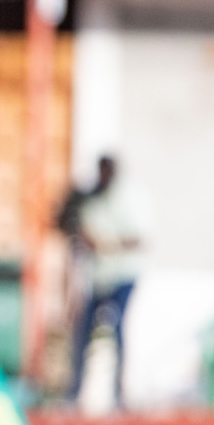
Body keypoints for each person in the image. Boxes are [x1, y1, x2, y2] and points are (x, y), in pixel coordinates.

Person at [67, 155, 144, 405]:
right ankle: (75, 392)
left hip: (122, 275)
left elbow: (138, 238)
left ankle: (119, 394)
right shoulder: (90, 201)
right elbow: (81, 231)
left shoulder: (125, 200)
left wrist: (106, 244)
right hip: (98, 278)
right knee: (84, 332)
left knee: (118, 330)